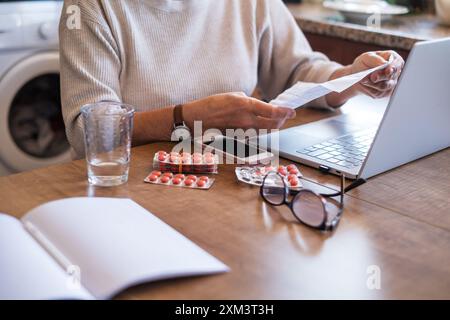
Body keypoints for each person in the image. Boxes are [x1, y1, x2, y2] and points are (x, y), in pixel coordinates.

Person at [59, 0, 404, 159]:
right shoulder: (91, 7)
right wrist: (188, 120)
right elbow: (86, 130)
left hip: (227, 176)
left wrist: (350, 77)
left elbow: (299, 69)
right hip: (134, 188)